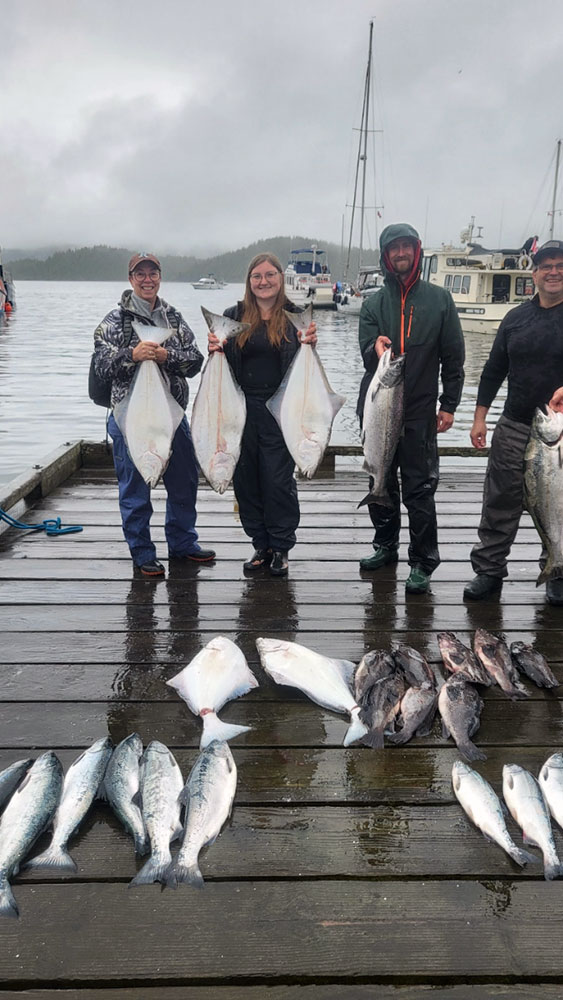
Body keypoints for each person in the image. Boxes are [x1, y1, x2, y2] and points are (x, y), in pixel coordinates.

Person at [357, 223, 465, 594]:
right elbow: (365, 351)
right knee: (378, 476)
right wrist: (375, 347)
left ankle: (422, 560)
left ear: (416, 251)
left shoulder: (439, 300)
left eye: (406, 247)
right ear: (385, 256)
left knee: (420, 489)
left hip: (419, 412)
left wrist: (449, 404)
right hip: (377, 406)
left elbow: (454, 357)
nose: (400, 253)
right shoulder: (372, 304)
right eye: (393, 248)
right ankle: (385, 546)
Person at [93, 252, 215, 577]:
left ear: (159, 277)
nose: (147, 279)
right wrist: (131, 355)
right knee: (134, 488)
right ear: (131, 278)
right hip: (126, 416)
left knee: (185, 481)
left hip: (171, 415)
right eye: (140, 274)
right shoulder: (113, 321)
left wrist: (164, 355)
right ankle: (143, 553)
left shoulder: (173, 318)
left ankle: (183, 544)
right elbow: (101, 365)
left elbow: (194, 360)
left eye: (153, 273)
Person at [464, 239, 563, 606]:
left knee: (558, 503)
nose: (553, 272)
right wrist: (479, 419)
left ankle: (558, 568)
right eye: (546, 266)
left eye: (560, 265)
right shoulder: (515, 318)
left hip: (560, 431)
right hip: (515, 425)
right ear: (534, 273)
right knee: (498, 501)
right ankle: (489, 571)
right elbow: (492, 371)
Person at [207, 252, 316, 577]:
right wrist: (214, 347)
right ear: (249, 281)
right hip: (239, 410)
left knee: (278, 480)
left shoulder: (296, 316)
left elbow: (307, 368)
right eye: (257, 276)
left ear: (280, 279)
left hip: (283, 410)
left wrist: (311, 341)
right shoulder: (233, 315)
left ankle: (281, 547)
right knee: (246, 479)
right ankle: (260, 544)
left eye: (270, 275)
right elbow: (220, 361)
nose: (264, 281)